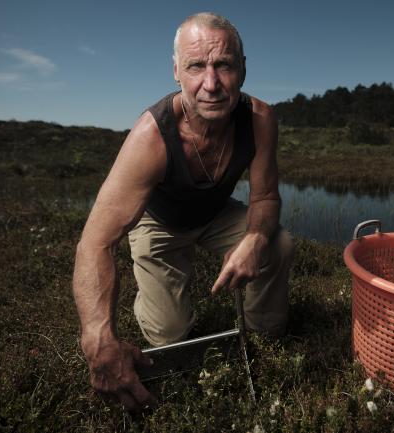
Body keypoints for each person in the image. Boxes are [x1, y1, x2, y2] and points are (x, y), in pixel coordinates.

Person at [72, 12, 294, 412]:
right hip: (159, 223)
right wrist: (98, 338)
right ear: (177, 71)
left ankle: (263, 338)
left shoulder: (260, 119)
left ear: (242, 69)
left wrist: (255, 240)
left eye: (223, 65)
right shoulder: (151, 137)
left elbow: (265, 198)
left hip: (215, 214)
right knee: (170, 338)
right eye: (196, 66)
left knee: (278, 243)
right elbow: (94, 242)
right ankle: (154, 299)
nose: (211, 84)